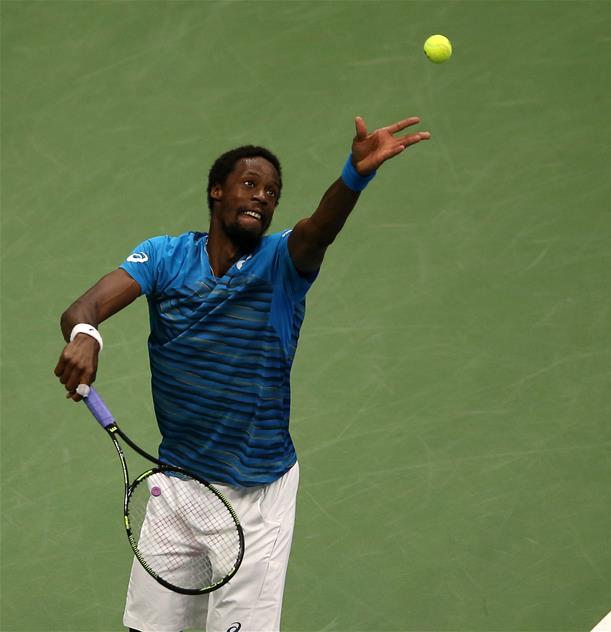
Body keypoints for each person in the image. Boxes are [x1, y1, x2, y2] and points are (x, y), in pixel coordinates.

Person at [54, 116, 430, 631]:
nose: (261, 197)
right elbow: (85, 307)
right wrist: (85, 336)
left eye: (272, 192)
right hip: (178, 486)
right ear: (216, 191)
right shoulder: (164, 257)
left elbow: (319, 228)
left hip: (255, 497)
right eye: (249, 184)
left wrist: (354, 175)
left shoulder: (283, 262)